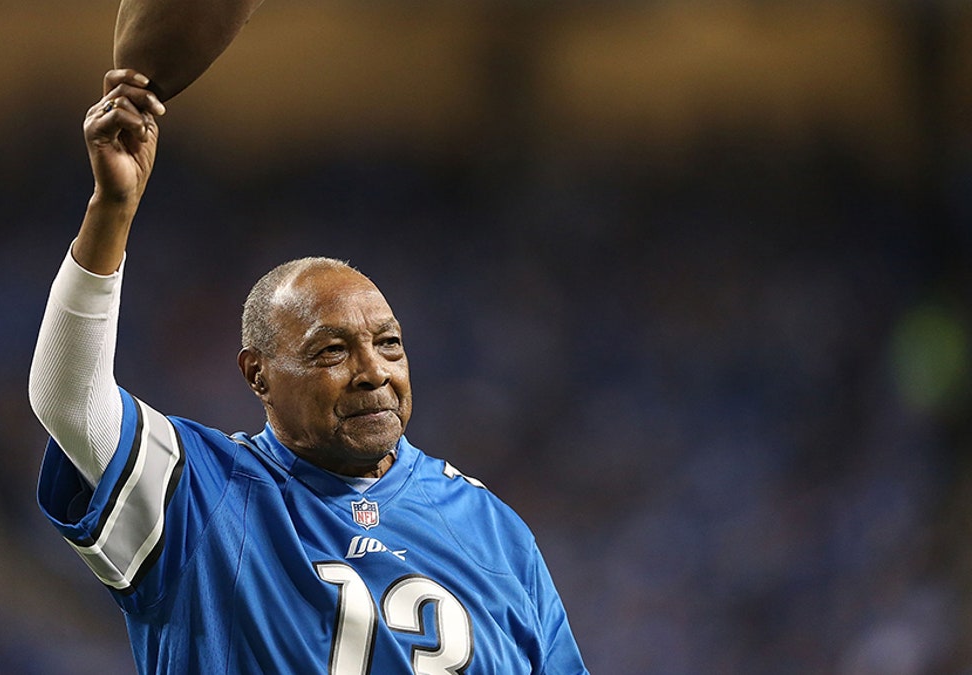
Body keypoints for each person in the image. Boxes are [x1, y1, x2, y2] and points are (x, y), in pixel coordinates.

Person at [29, 68, 590, 674]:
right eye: (333, 351)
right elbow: (69, 400)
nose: (373, 371)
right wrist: (111, 209)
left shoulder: (494, 531)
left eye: (390, 344)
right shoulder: (202, 495)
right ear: (258, 375)